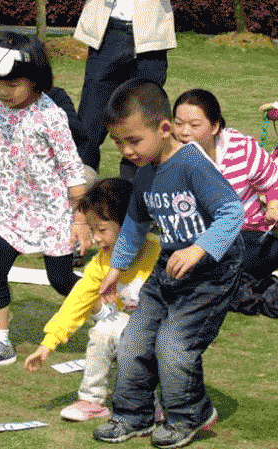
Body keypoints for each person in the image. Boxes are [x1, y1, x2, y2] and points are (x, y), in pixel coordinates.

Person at [92, 79, 244, 448]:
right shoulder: (143, 172)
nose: (126, 150)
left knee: (174, 347)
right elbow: (135, 223)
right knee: (133, 341)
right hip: (170, 268)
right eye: (118, 143)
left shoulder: (192, 162)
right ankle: (133, 415)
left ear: (164, 129)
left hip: (211, 272)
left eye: (133, 140)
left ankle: (189, 414)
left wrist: (199, 249)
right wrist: (116, 269)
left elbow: (231, 211)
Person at [0, 32, 93, 369]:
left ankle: (109, 311)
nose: (2, 91)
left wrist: (80, 221)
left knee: (60, 280)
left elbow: (72, 168)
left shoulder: (51, 115)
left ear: (34, 79)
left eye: (12, 84)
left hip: (52, 211)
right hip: (12, 208)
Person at [24, 178, 161, 422]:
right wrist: (48, 343)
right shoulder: (101, 261)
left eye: (102, 229)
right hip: (129, 324)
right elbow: (77, 300)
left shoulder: (157, 254)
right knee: (102, 331)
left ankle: (152, 402)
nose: (96, 238)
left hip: (162, 326)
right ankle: (91, 399)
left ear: (129, 225)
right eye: (92, 229)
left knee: (132, 337)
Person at [174, 89, 278, 317]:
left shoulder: (241, 149)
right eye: (178, 123)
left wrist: (273, 205)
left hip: (249, 234)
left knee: (209, 278)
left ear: (214, 127)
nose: (184, 132)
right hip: (199, 239)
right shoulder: (170, 156)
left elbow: (272, 179)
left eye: (193, 125)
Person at [73, 0, 176, 178]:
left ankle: (137, 194)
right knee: (88, 127)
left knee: (145, 124)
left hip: (151, 35)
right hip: (108, 30)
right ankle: (84, 197)